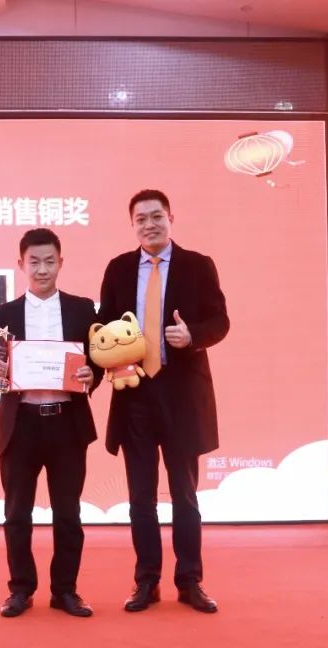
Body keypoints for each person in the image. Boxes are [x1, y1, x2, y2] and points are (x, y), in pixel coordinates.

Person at [97, 189, 230, 614]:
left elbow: (220, 320)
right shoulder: (119, 269)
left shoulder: (197, 265)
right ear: (132, 225)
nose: (149, 225)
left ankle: (190, 582)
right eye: (141, 219)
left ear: (171, 217)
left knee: (185, 496)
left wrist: (193, 336)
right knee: (140, 499)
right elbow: (105, 329)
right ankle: (146, 582)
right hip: (135, 396)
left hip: (181, 396)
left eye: (156, 216)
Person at [0, 228, 102, 618]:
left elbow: (98, 362)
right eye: (34, 262)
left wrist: (92, 376)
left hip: (67, 425)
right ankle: (20, 590)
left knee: (68, 514)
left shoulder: (83, 310)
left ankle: (65, 591)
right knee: (17, 514)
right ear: (21, 264)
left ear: (61, 263)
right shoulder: (2, 315)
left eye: (50, 261)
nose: (42, 269)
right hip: (20, 426)